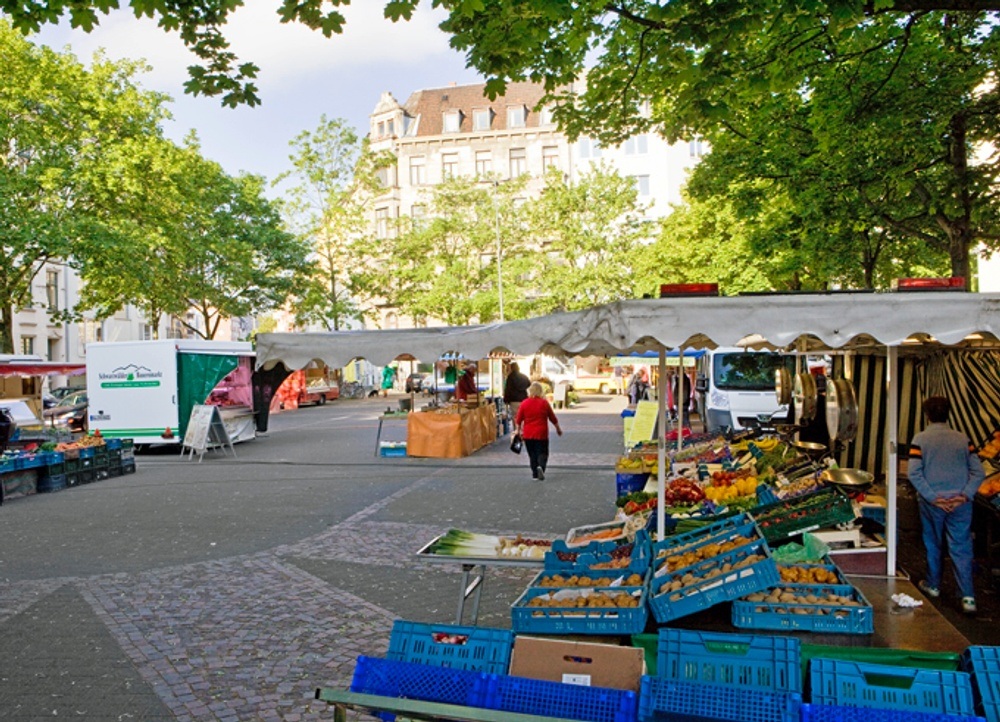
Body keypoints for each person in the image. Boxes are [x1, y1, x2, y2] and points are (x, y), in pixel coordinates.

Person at [908, 395, 985, 614]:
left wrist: (933, 497)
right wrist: (965, 495)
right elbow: (978, 472)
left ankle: (933, 586)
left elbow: (914, 473)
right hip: (960, 503)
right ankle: (968, 597)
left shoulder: (921, 439)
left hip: (933, 503)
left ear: (927, 415)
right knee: (961, 547)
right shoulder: (963, 439)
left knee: (933, 543)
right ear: (948, 413)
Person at [515, 382, 562, 480]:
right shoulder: (544, 403)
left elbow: (518, 419)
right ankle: (541, 466)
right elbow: (552, 417)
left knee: (532, 454)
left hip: (528, 434)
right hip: (541, 433)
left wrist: (518, 431)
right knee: (542, 452)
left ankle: (535, 474)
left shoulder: (524, 403)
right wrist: (558, 428)